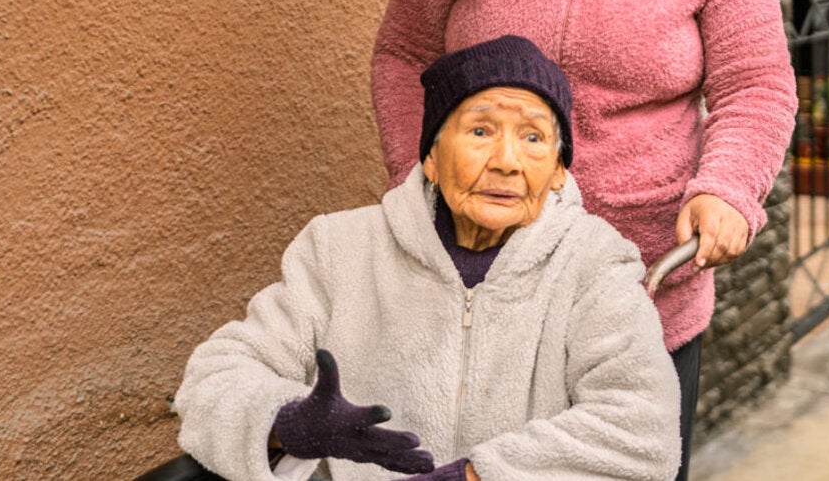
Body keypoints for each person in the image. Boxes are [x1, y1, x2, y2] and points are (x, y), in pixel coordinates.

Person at [368, 0, 799, 476]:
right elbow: (404, 55)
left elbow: (756, 84)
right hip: (474, 287)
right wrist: (415, 178)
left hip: (642, 295)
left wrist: (726, 188)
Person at [175, 36, 681, 481]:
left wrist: (473, 477)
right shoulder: (339, 248)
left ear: (557, 171)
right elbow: (213, 380)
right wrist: (290, 422)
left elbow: (644, 429)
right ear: (431, 158)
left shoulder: (594, 263)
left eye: (533, 138)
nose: (506, 162)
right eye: (480, 131)